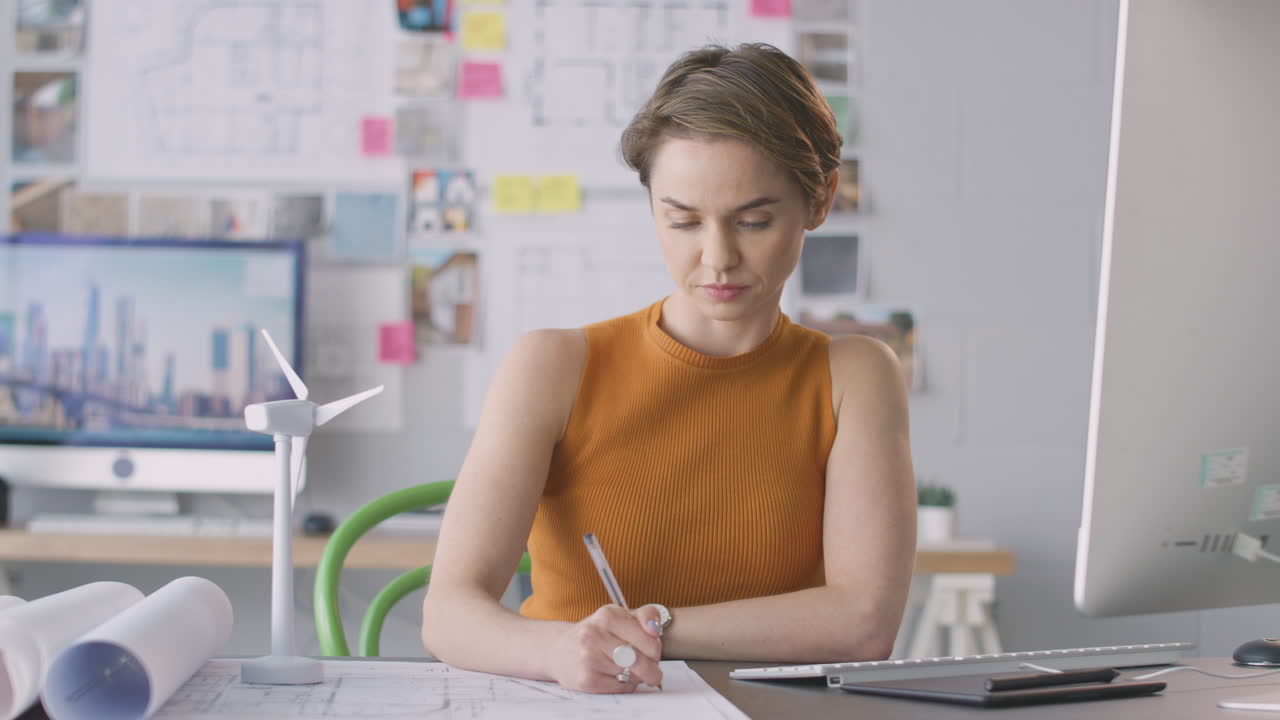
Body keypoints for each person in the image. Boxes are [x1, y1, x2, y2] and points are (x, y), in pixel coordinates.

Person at [421, 43, 915, 694]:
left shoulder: (854, 376)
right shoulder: (553, 366)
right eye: (682, 220)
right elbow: (449, 612)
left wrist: (650, 628)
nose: (717, 258)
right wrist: (559, 650)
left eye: (754, 221)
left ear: (820, 201)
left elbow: (863, 622)